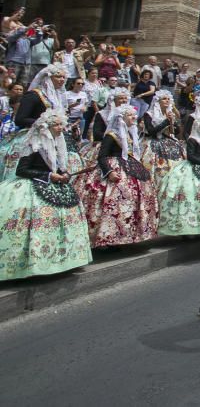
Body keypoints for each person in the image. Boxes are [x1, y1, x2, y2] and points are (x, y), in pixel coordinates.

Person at [0, 109, 92, 281]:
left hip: (56, 186)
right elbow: (22, 170)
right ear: (46, 127)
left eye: (61, 124)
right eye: (56, 125)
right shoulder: (35, 145)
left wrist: (63, 174)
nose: (60, 128)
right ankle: (34, 264)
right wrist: (49, 176)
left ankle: (63, 260)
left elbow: (59, 166)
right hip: (33, 187)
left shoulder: (59, 143)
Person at [72, 104, 160, 247]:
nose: (134, 118)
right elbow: (101, 157)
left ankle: (126, 235)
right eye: (131, 115)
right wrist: (109, 171)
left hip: (128, 166)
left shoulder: (130, 133)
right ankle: (106, 238)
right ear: (122, 118)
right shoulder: (111, 135)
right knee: (111, 203)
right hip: (113, 168)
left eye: (134, 115)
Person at [140, 90, 184, 184]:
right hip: (152, 142)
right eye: (164, 99)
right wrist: (166, 122)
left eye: (168, 99)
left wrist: (172, 123)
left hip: (167, 141)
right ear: (158, 101)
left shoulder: (169, 114)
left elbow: (176, 132)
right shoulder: (149, 115)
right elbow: (151, 131)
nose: (167, 101)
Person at [27, 18, 58, 83]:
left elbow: (56, 47)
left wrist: (55, 37)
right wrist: (41, 31)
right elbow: (28, 36)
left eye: (50, 29)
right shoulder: (34, 38)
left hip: (46, 64)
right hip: (33, 63)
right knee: (30, 82)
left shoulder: (51, 40)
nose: (48, 31)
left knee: (43, 82)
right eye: (47, 29)